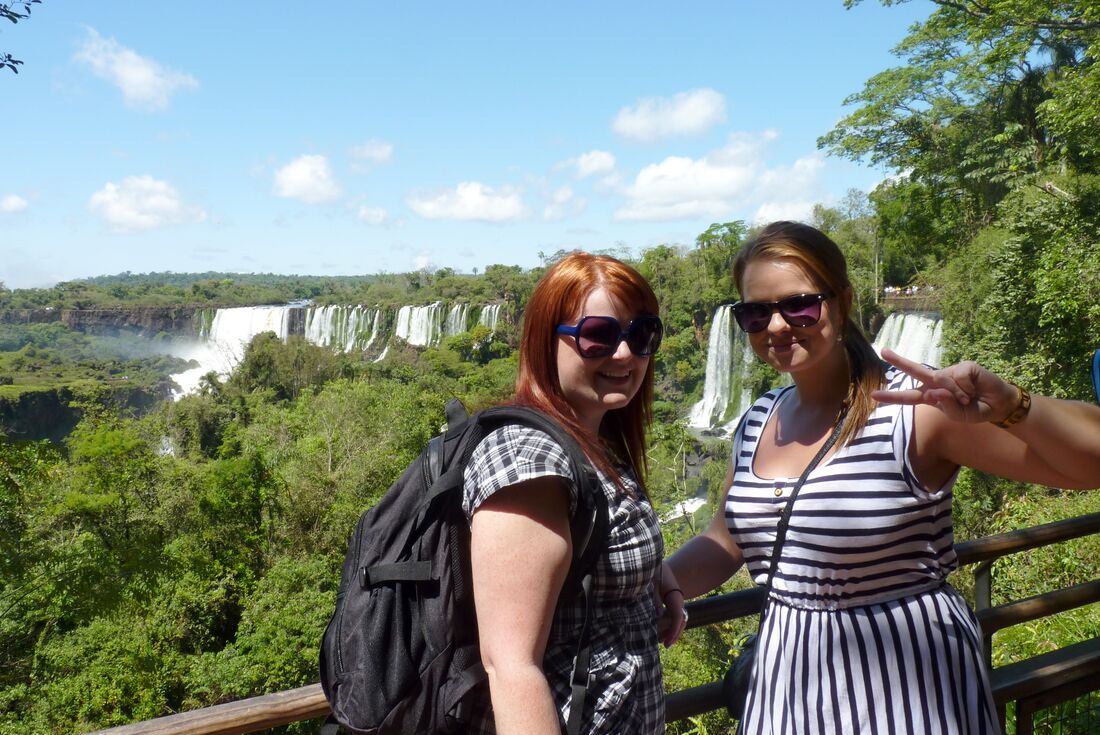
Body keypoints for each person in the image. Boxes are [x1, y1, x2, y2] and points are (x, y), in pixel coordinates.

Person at [663, 221, 1100, 735]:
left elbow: (1088, 468)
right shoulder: (759, 418)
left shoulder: (914, 411)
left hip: (908, 684)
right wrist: (655, 582)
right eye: (756, 312)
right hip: (788, 679)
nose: (777, 326)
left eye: (799, 305)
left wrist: (1014, 407)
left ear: (842, 303)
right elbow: (725, 538)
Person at [464, 252, 687, 735]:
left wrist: (661, 579)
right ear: (549, 344)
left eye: (642, 333)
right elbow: (510, 668)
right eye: (597, 336)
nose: (625, 354)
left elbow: (602, 538)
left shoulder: (596, 437)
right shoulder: (530, 463)